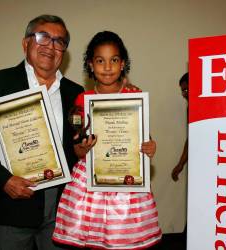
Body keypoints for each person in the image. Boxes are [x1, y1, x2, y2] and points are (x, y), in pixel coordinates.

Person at [0, 15, 85, 250]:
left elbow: (76, 145)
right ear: (25, 43)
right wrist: (4, 180)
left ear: (64, 51)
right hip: (12, 205)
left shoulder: (75, 92)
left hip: (61, 208)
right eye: (43, 37)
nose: (51, 46)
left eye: (59, 41)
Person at [52, 31, 162, 249]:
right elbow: (78, 148)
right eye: (100, 61)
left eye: (114, 60)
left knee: (123, 238)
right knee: (92, 240)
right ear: (91, 65)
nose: (108, 67)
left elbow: (143, 135)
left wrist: (150, 145)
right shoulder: (82, 100)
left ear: (122, 64)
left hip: (126, 180)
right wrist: (82, 148)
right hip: (90, 181)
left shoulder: (134, 95)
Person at [171, 72, 188, 182]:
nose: (184, 94)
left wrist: (180, 164)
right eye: (183, 91)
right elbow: (193, 138)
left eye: (186, 90)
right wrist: (180, 164)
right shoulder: (190, 108)